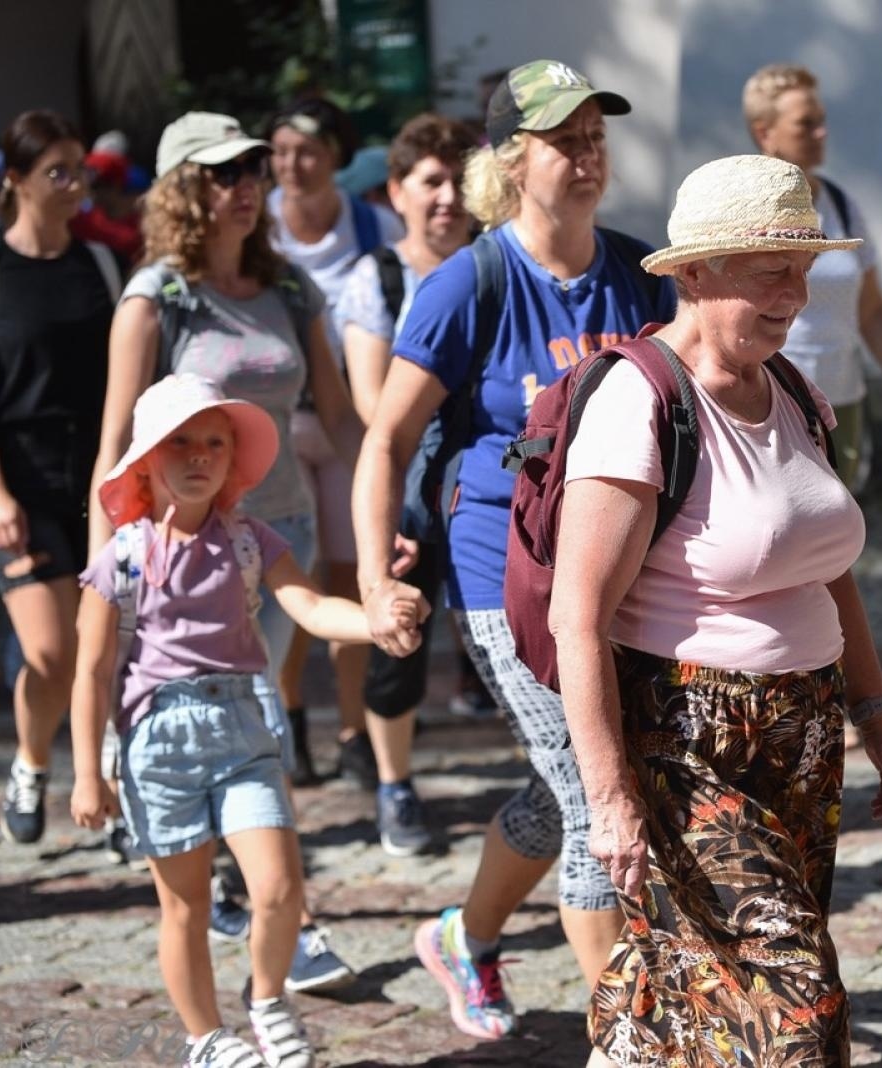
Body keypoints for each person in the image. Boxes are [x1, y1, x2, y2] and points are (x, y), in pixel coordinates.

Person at [548, 153, 882, 1068]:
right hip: (686, 733)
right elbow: (578, 617)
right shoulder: (640, 400)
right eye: (772, 271)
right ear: (695, 271)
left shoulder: (795, 392)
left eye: (803, 269)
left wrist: (875, 717)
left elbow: (829, 571)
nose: (796, 293)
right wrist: (608, 799)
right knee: (795, 995)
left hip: (800, 726)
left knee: (691, 969)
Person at [350, 59, 675, 1041]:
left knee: (562, 777)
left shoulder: (638, 270)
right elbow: (386, 440)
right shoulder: (468, 284)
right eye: (562, 141)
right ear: (508, 160)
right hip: (505, 572)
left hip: (620, 567)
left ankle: (465, 937)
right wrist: (372, 578)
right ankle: (627, 1037)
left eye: (594, 138)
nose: (586, 157)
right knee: (590, 792)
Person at [70, 373, 426, 1068]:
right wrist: (88, 772)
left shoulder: (249, 541)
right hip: (156, 743)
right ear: (147, 458)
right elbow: (90, 671)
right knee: (186, 908)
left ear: (232, 459)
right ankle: (206, 1037)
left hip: (244, 730)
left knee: (280, 888)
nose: (199, 456)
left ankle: (267, 998)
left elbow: (313, 609)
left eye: (215, 443)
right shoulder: (124, 557)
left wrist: (377, 621)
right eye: (181, 443)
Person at [90, 110, 363, 994]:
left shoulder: (288, 291)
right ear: (180, 189)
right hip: (175, 563)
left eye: (250, 167)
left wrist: (387, 513)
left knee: (258, 733)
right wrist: (115, 585)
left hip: (273, 544)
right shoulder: (155, 299)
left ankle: (267, 908)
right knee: (233, 736)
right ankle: (268, 915)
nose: (243, 183)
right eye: (220, 172)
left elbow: (345, 418)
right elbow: (115, 450)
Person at [0, 110, 118, 845]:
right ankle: (29, 760)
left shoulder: (102, 265)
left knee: (104, 645)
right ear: (14, 181)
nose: (76, 182)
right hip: (21, 483)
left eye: (79, 167)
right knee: (51, 652)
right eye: (58, 170)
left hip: (100, 483)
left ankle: (109, 789)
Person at [337, 112, 476, 857]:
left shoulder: (495, 264)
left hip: (487, 482)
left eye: (459, 180)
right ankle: (395, 785)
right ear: (397, 193)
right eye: (431, 182)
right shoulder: (379, 277)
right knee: (402, 637)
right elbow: (370, 407)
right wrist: (387, 498)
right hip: (413, 483)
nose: (448, 196)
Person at [268, 97, 404, 789]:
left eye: (307, 151)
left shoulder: (373, 223)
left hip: (350, 416)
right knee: (287, 574)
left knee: (351, 573)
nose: (291, 165)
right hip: (274, 419)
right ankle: (289, 714)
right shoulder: (257, 219)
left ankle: (353, 728)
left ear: (336, 157)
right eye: (281, 150)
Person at [741, 63, 882, 491]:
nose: (822, 133)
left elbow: (873, 311)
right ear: (764, 133)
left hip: (843, 402)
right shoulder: (748, 211)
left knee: (842, 537)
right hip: (773, 404)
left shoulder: (841, 204)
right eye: (806, 124)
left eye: (822, 122)